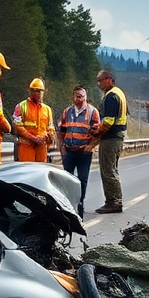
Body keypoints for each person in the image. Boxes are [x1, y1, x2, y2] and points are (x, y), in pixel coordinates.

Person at [56, 84, 100, 217]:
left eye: (81, 96)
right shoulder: (67, 112)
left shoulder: (93, 112)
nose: (79, 98)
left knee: (82, 179)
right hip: (69, 150)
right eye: (77, 96)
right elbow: (61, 131)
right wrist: (61, 146)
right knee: (67, 178)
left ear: (86, 97)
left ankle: (80, 204)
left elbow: (98, 133)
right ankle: (68, 205)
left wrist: (91, 146)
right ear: (73, 97)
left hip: (84, 153)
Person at [91, 69, 127, 214]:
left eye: (101, 80)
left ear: (109, 79)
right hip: (118, 137)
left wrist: (97, 132)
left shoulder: (111, 96)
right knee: (112, 169)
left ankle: (113, 202)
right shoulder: (120, 93)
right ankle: (115, 200)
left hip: (111, 138)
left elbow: (108, 121)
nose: (99, 83)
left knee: (108, 170)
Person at [13, 78, 54, 162]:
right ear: (30, 91)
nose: (39, 94)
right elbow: (17, 126)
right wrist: (33, 138)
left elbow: (51, 128)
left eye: (41, 91)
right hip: (26, 146)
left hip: (41, 147)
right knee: (27, 171)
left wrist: (45, 137)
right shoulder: (21, 106)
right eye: (37, 91)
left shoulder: (47, 109)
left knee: (40, 171)